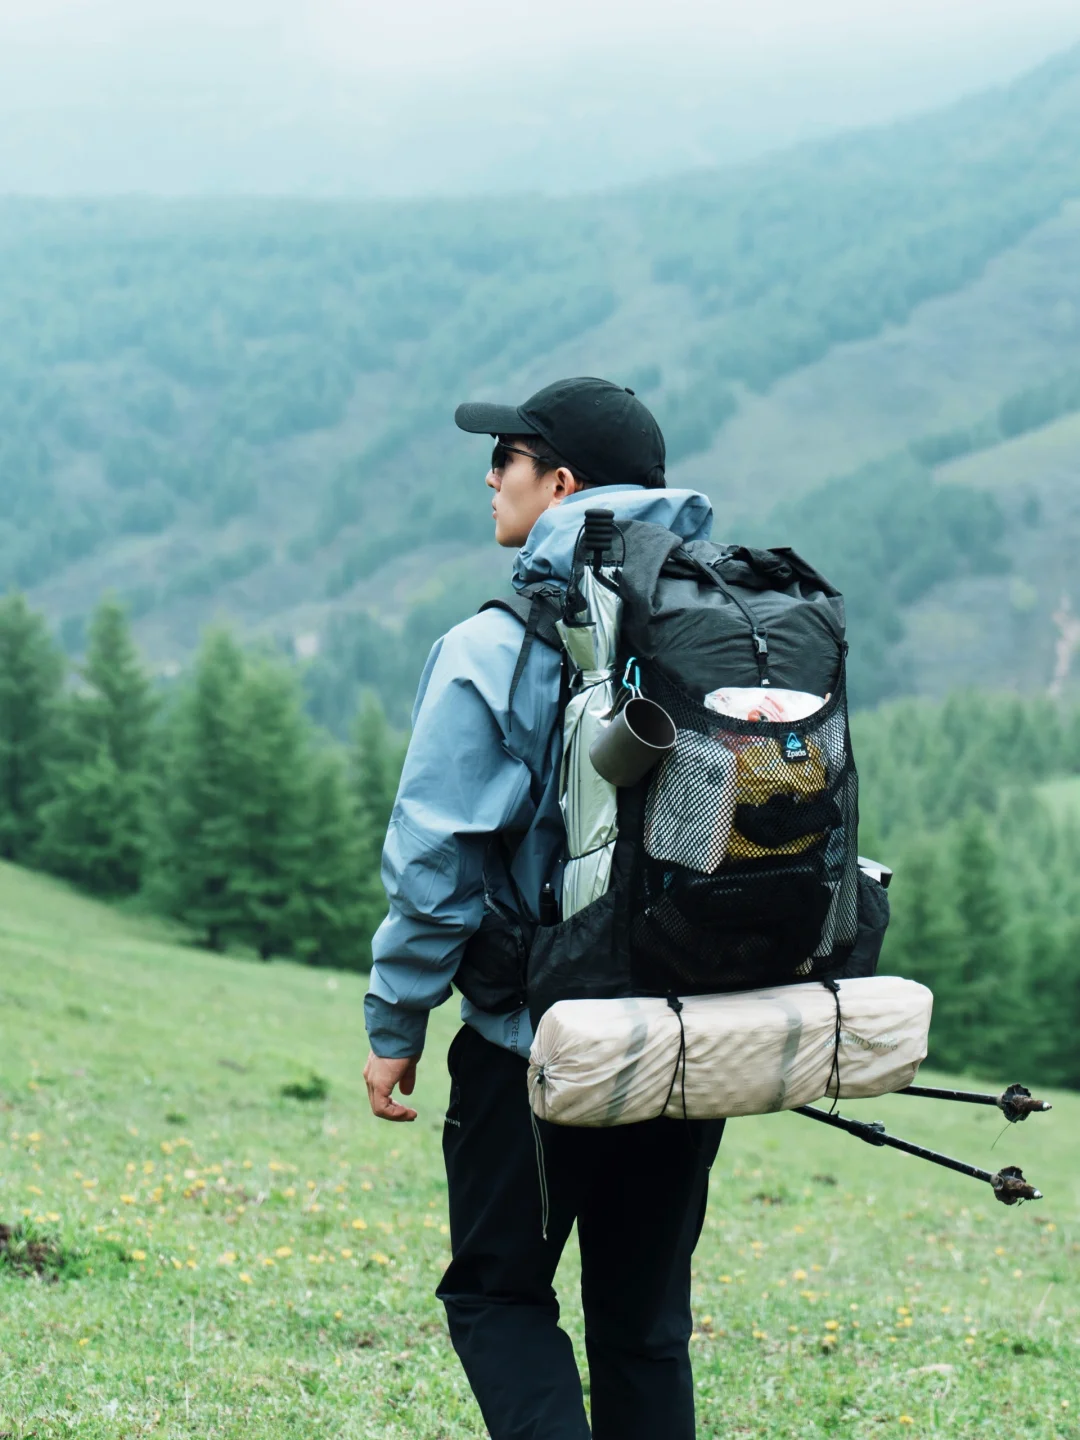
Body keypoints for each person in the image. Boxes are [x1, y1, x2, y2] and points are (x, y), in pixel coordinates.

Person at [363, 377, 724, 1440]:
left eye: (506, 460)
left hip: (537, 1039)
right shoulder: (716, 625)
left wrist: (397, 1022)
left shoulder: (492, 646)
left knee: (497, 1293)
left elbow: (437, 861)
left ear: (559, 484)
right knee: (645, 1323)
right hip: (685, 1041)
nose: (488, 478)